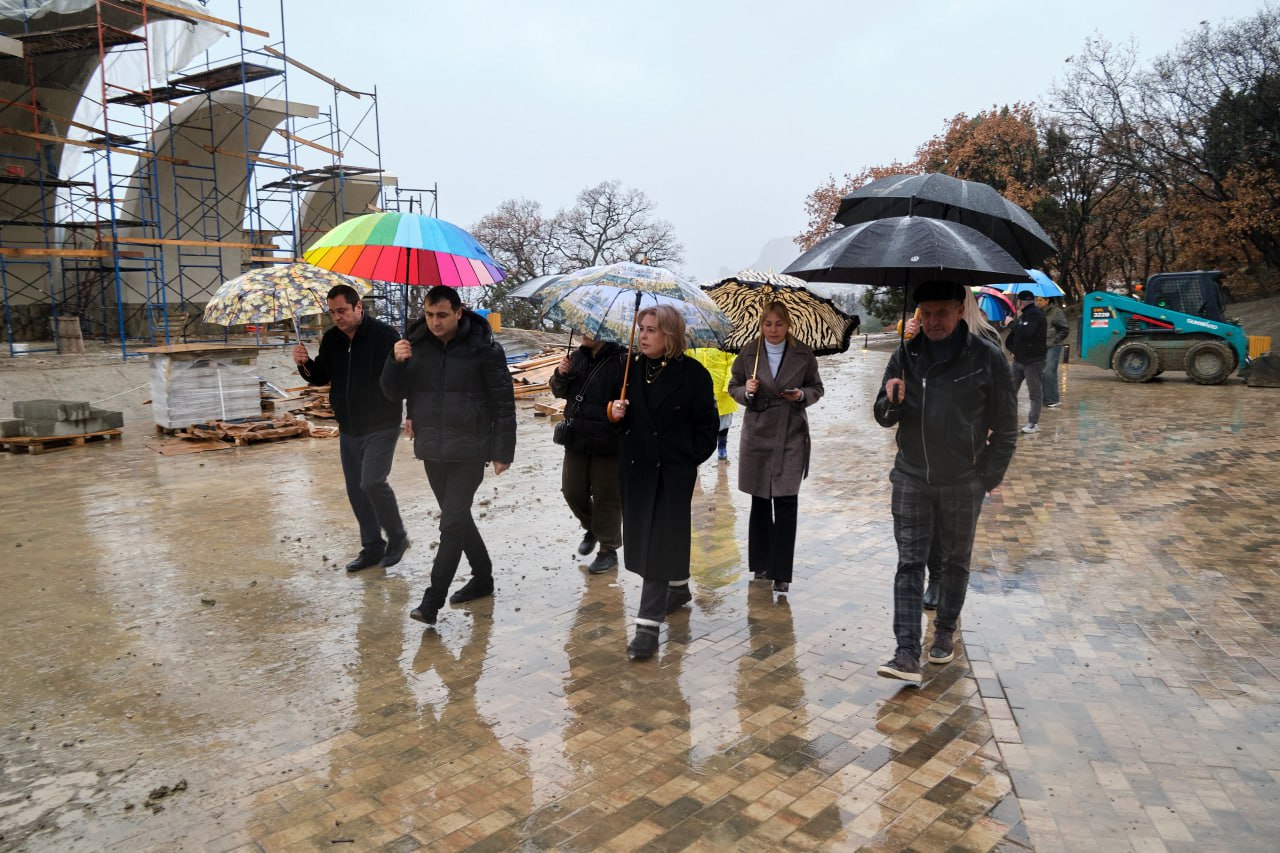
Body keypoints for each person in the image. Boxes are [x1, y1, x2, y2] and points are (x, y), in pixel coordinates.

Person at [873, 280, 1017, 684]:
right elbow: (882, 415)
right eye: (926, 313)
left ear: (958, 311)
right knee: (909, 563)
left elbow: (1007, 427)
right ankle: (905, 653)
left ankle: (944, 632)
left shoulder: (986, 357)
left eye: (942, 312)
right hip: (911, 475)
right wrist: (891, 401)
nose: (933, 321)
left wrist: (984, 479)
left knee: (955, 561)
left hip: (962, 480)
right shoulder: (905, 355)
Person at [381, 285, 516, 626]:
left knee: (451, 524)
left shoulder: (484, 348)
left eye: (442, 315)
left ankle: (432, 601)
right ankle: (482, 577)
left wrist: (503, 451)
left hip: (471, 447)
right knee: (458, 518)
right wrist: (395, 362)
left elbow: (503, 401)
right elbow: (393, 392)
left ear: (458, 312)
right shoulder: (414, 345)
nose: (435, 322)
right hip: (432, 447)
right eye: (429, 315)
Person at [607, 305, 719, 661]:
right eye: (641, 328)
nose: (643, 335)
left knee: (658, 541)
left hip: (671, 473)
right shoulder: (628, 369)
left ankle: (647, 627)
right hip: (636, 470)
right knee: (653, 537)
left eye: (651, 330)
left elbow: (708, 428)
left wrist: (684, 459)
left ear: (670, 334)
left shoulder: (694, 375)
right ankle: (679, 586)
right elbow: (607, 413)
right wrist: (613, 413)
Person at [294, 284, 408, 573]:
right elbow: (320, 377)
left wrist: (400, 360)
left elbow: (403, 376)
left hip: (381, 422)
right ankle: (372, 547)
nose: (337, 317)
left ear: (358, 307)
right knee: (356, 490)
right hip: (348, 426)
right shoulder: (332, 339)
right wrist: (304, 364)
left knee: (372, 482)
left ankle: (397, 537)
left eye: (342, 310)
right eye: (332, 312)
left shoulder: (384, 335)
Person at [727, 301, 825, 593]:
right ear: (761, 325)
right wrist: (746, 392)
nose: (773, 330)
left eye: (779, 324)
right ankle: (761, 564)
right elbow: (733, 386)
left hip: (791, 431)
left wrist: (801, 395)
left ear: (788, 325)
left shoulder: (803, 354)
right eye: (768, 324)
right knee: (760, 500)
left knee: (786, 500)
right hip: (757, 431)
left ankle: (781, 572)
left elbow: (817, 388)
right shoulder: (749, 352)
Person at [550, 331, 627, 575]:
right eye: (581, 329)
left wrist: (621, 407)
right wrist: (560, 374)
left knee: (607, 497)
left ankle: (608, 550)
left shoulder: (623, 361)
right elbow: (558, 391)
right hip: (577, 438)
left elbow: (633, 400)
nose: (584, 333)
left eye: (589, 330)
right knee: (572, 492)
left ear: (605, 332)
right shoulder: (575, 358)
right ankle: (594, 527)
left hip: (608, 440)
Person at [1004, 289, 1047, 435]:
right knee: (1010, 390)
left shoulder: (1035, 314)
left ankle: (1033, 423)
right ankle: (1007, 419)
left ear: (1021, 302)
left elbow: (1026, 332)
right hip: (1019, 360)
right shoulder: (1024, 315)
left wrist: (1011, 323)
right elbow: (1018, 336)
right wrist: (1013, 348)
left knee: (1034, 393)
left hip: (1033, 361)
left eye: (1017, 301)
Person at [687, 347, 737, 460]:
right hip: (699, 387)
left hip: (720, 386)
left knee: (723, 420)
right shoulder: (693, 345)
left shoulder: (725, 344)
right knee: (696, 420)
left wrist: (729, 384)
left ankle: (722, 446)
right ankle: (697, 448)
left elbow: (732, 363)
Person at [1039, 296, 1069, 408]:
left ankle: (1051, 399)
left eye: (1040, 300)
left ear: (1047, 301)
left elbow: (1064, 329)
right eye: (1036, 299)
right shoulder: (1038, 312)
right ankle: (1046, 398)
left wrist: (1053, 341)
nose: (1038, 302)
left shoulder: (1056, 312)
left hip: (1053, 345)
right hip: (1041, 346)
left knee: (1049, 371)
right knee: (1043, 372)